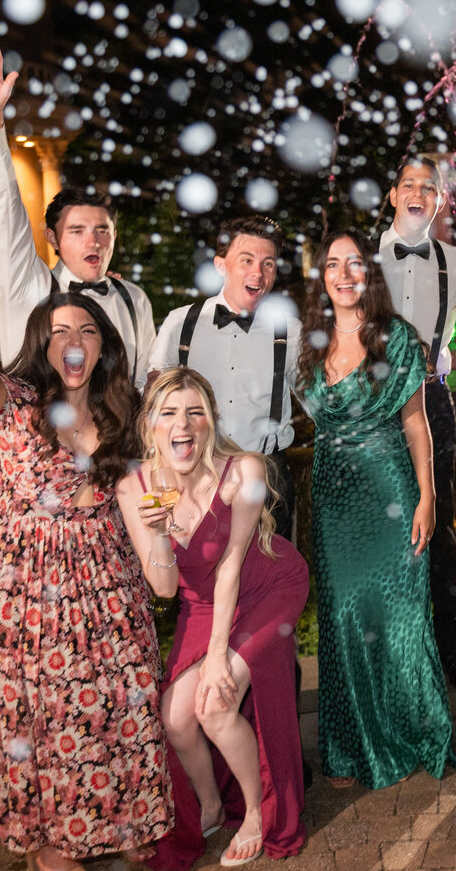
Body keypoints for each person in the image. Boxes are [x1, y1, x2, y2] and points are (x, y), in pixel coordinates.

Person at [0, 270, 168, 870]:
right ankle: (47, 839)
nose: (75, 339)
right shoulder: (14, 401)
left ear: (104, 347)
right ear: (43, 344)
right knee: (37, 705)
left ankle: (120, 813)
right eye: (60, 330)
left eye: (88, 330)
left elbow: (146, 486)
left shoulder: (121, 413)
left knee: (122, 691)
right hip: (26, 574)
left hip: (106, 568)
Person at [118, 368, 309, 870]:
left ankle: (254, 814)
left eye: (195, 412)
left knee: (215, 704)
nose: (183, 424)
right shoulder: (136, 486)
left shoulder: (243, 471)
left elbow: (230, 566)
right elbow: (163, 589)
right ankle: (208, 805)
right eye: (170, 412)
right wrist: (158, 531)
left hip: (267, 585)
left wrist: (220, 656)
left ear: (210, 421)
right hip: (202, 604)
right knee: (174, 717)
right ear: (150, 424)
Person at [297, 231, 456, 790]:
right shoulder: (308, 341)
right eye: (333, 265)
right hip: (335, 493)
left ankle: (410, 731)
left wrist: (428, 496)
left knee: (399, 616)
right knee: (343, 617)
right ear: (321, 276)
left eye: (355, 264)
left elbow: (416, 424)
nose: (344, 274)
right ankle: (349, 746)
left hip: (391, 487)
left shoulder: (397, 338)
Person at [0, 42, 155, 382]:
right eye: (77, 231)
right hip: (43, 435)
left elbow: (143, 385)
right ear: (52, 237)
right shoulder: (28, 285)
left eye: (102, 230)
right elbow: (3, 209)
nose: (93, 241)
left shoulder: (134, 298)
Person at [375, 153, 456, 691]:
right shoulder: (362, 261)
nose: (418, 193)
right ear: (392, 195)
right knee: (379, 529)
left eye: (429, 187)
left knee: (436, 526)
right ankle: (388, 651)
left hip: (433, 403)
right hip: (372, 405)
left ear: (439, 199)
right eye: (407, 184)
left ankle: (446, 648)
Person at [150, 215, 302, 540]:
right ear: (221, 264)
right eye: (246, 260)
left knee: (270, 582)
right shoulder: (180, 324)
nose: (258, 274)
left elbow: (324, 403)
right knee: (198, 583)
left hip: (268, 478)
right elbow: (152, 403)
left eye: (268, 264)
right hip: (194, 473)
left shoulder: (290, 331)